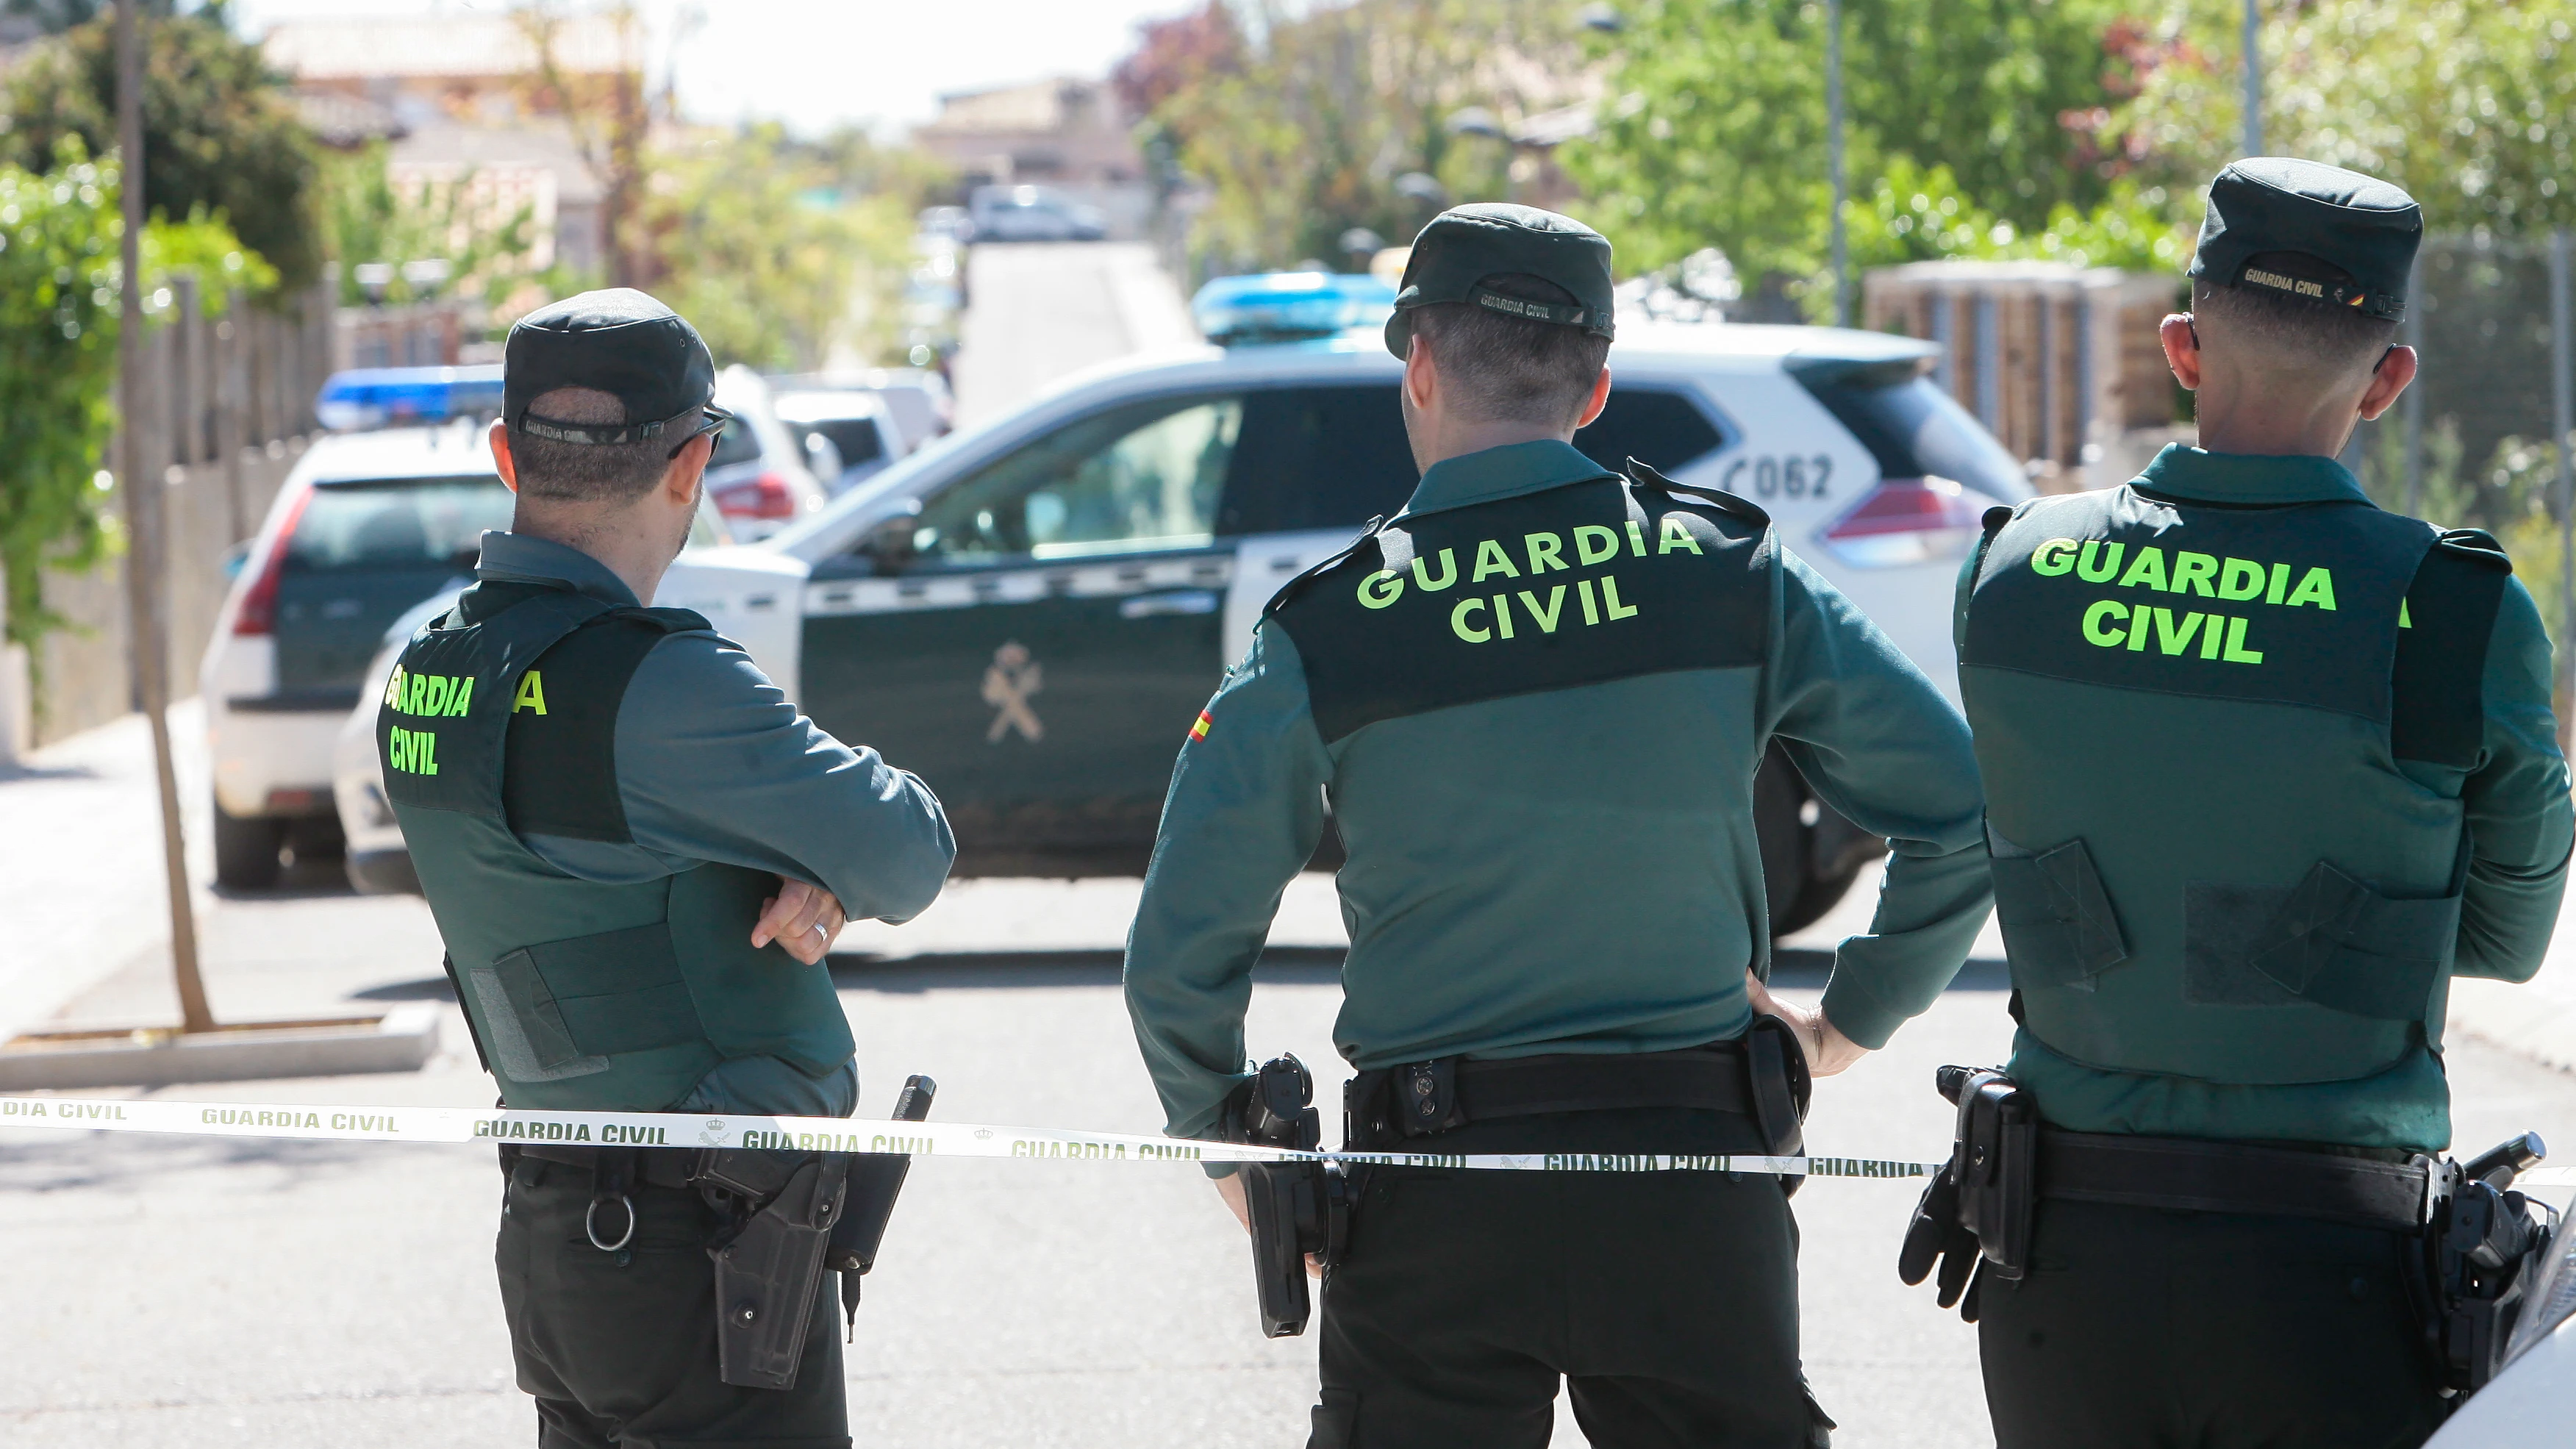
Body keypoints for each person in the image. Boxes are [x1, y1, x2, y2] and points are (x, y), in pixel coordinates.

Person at [1122, 203, 1995, 1448]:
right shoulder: (1732, 575)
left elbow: (1176, 950)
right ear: (1595, 391)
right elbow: (1961, 814)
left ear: (1418, 367)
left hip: (1435, 1201)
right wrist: (1841, 1026)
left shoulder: (1328, 626)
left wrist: (1232, 1151)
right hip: (1695, 1183)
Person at [1928, 158, 2572, 1448]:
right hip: (2333, 1266)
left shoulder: (2014, 570)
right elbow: (2504, 940)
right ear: (2389, 378)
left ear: (2181, 346)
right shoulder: (2450, 608)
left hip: (2061, 1262)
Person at [379, 288, 954, 1449]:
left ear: (506, 455)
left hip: (559, 1237)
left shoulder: (424, 678)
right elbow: (908, 849)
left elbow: (589, 864)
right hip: (704, 1251)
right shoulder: (657, 687)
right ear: (691, 466)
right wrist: (821, 862)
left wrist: (787, 855)